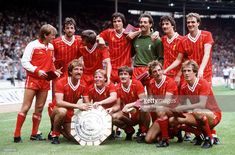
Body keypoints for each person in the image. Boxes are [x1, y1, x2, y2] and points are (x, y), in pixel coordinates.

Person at [14, 24, 60, 143]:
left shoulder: (50, 47)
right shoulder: (32, 45)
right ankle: (17, 134)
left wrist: (55, 71)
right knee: (26, 107)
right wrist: (37, 70)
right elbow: (24, 61)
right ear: (45, 35)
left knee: (39, 108)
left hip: (45, 81)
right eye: (52, 35)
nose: (54, 38)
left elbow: (51, 63)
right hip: (33, 79)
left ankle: (34, 133)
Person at [171, 60, 221, 149]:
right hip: (197, 114)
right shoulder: (183, 87)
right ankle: (199, 134)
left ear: (195, 72)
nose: (186, 73)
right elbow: (182, 106)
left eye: (189, 70)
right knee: (173, 120)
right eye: (184, 71)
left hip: (214, 115)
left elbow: (201, 104)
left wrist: (183, 107)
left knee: (197, 111)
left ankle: (209, 138)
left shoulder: (203, 83)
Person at [48, 59, 92, 144]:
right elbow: (59, 102)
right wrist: (78, 106)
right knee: (62, 111)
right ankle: (55, 135)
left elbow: (87, 103)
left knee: (73, 137)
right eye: (76, 69)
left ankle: (58, 128)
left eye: (81, 69)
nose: (79, 71)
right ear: (70, 72)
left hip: (70, 111)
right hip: (55, 108)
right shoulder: (61, 82)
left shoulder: (83, 84)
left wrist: (93, 108)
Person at [164, 12, 214, 86]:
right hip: (190, 74)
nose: (190, 24)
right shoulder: (183, 40)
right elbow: (178, 60)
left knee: (206, 96)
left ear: (198, 23)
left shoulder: (206, 35)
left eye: (193, 22)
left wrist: (201, 69)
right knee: (191, 97)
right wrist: (166, 70)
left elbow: (207, 54)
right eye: (188, 22)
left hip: (204, 72)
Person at [107, 66, 150, 141]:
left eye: (125, 74)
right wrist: (111, 109)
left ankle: (144, 132)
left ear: (130, 76)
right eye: (121, 74)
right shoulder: (117, 87)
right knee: (113, 117)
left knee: (144, 107)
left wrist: (129, 105)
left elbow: (144, 100)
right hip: (127, 113)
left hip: (138, 112)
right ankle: (129, 131)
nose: (123, 76)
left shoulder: (137, 83)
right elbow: (117, 105)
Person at [143, 60, 179, 147]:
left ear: (162, 70)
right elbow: (151, 99)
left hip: (174, 110)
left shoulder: (170, 81)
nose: (158, 73)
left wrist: (152, 104)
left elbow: (167, 101)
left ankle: (165, 139)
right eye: (154, 71)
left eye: (159, 70)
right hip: (161, 112)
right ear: (151, 74)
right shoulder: (151, 83)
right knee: (148, 139)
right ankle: (173, 132)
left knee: (160, 108)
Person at [99, 12, 132, 83]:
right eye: (114, 21)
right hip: (111, 69)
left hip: (125, 69)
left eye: (119, 21)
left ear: (123, 22)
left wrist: (153, 31)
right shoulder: (108, 32)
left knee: (124, 92)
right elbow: (98, 36)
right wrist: (100, 39)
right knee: (109, 91)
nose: (117, 23)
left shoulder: (129, 31)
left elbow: (142, 30)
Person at [132, 13, 164, 87]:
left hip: (151, 70)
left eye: (145, 22)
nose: (142, 24)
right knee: (136, 95)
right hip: (137, 70)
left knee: (151, 96)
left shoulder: (157, 39)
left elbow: (161, 58)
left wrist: (156, 70)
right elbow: (125, 32)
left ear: (150, 24)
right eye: (141, 22)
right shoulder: (135, 37)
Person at [87, 69, 117, 139]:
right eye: (96, 77)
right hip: (97, 111)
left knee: (111, 114)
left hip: (110, 110)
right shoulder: (90, 88)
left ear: (105, 79)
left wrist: (100, 102)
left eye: (100, 77)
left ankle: (111, 131)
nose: (97, 79)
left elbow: (113, 97)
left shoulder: (110, 85)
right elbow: (87, 102)